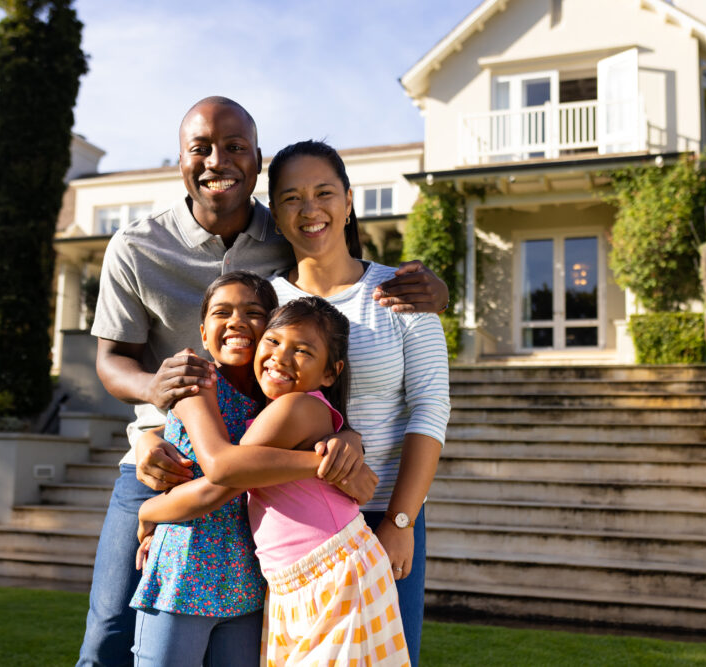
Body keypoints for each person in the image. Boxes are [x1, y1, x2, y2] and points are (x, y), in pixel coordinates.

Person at [79, 96, 449, 666]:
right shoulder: (172, 260)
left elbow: (417, 405)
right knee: (113, 634)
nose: (309, 210)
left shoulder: (346, 282)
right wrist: (157, 417)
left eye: (234, 148)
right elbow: (138, 368)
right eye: (200, 148)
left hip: (330, 498)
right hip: (214, 479)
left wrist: (386, 500)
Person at [171, 140, 449, 666]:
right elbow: (232, 393)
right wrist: (149, 438)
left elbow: (430, 408)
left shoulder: (402, 293)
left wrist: (401, 521)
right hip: (287, 528)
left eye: (324, 193)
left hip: (384, 511)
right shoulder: (267, 304)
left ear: (348, 200)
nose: (310, 209)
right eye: (292, 198)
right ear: (276, 213)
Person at [140, 295, 409, 665]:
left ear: (331, 372)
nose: (281, 357)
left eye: (302, 351)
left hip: (332, 573)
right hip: (295, 580)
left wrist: (148, 511)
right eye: (273, 340)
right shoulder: (272, 412)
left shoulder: (294, 408)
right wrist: (147, 436)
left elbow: (222, 472)